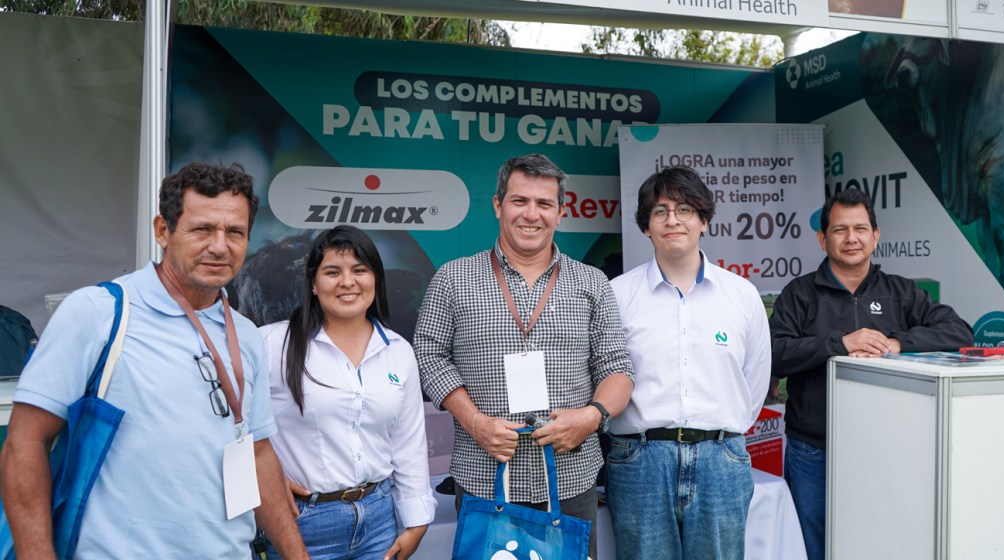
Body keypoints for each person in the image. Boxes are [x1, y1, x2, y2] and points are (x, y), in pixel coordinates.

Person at [0, 162, 307, 558]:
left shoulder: (245, 333)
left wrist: (297, 555)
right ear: (163, 230)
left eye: (235, 232)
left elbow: (256, 451)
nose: (220, 246)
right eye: (202, 229)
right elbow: (24, 442)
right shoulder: (100, 312)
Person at [414, 153, 634, 558]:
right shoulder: (453, 278)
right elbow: (429, 357)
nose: (531, 214)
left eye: (544, 204)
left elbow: (618, 369)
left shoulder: (593, 283)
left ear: (560, 212)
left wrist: (590, 418)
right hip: (485, 475)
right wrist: (477, 423)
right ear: (498, 205)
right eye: (519, 201)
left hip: (569, 478)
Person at [770, 187, 974, 560]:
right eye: (840, 229)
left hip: (886, 447)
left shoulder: (901, 292)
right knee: (812, 546)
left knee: (877, 541)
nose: (851, 238)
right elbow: (775, 355)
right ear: (822, 238)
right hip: (813, 449)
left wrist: (897, 342)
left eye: (861, 229)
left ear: (875, 236)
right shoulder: (799, 295)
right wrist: (840, 343)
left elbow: (959, 331)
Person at [607, 166, 771, 559]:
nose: (672, 220)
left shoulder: (742, 296)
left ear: (704, 220)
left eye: (684, 209)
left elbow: (754, 381)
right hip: (640, 460)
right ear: (645, 227)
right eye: (659, 211)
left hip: (722, 460)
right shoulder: (616, 295)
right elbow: (604, 376)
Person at [258, 225, 436, 559]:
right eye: (332, 272)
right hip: (300, 522)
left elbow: (408, 445)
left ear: (376, 279)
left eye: (359, 270)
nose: (347, 282)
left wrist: (416, 523)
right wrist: (265, 477)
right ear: (313, 282)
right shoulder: (270, 344)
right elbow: (234, 428)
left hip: (380, 522)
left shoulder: (398, 350)